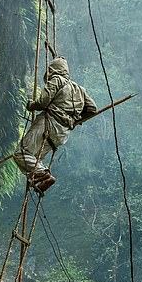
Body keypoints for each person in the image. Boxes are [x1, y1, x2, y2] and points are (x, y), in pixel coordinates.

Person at [14, 56, 97, 193]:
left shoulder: (57, 80)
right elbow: (92, 109)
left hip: (48, 123)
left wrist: (31, 105)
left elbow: (42, 103)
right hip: (62, 134)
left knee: (21, 154)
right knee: (34, 158)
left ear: (53, 70)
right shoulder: (79, 89)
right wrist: (75, 121)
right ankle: (39, 179)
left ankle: (43, 174)